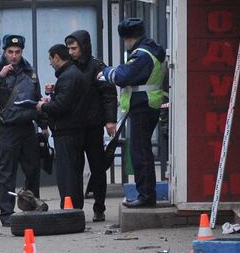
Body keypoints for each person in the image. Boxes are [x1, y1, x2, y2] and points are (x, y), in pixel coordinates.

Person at [99, 17, 168, 208]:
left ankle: (145, 196)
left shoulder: (141, 55)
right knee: (141, 151)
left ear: (129, 38)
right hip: (147, 105)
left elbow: (123, 76)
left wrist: (106, 72)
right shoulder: (151, 49)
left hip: (142, 106)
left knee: (140, 153)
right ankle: (146, 194)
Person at [0, 34, 43, 226]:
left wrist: (43, 125)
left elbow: (37, 96)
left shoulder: (29, 71)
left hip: (27, 126)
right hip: (6, 129)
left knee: (32, 169)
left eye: (17, 52)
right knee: (7, 172)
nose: (14, 56)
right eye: (10, 52)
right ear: (4, 51)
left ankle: (32, 205)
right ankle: (6, 213)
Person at [64, 30, 114, 221]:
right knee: (75, 168)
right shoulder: (69, 67)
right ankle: (77, 208)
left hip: (93, 126)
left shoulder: (96, 67)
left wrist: (110, 120)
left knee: (97, 168)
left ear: (83, 47)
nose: (70, 52)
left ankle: (99, 208)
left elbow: (109, 94)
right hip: (75, 126)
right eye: (68, 48)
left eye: (74, 48)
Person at [37, 43, 93, 212]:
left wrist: (43, 105)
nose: (50, 63)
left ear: (56, 57)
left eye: (50, 59)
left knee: (67, 174)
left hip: (66, 132)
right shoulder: (73, 74)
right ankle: (75, 207)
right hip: (75, 130)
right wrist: (53, 94)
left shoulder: (68, 76)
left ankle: (69, 209)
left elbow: (62, 106)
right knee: (74, 172)